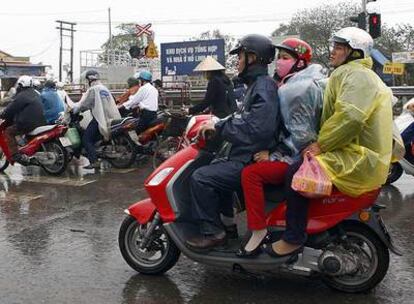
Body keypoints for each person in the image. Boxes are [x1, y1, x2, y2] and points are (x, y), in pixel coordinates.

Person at [264, 27, 393, 258]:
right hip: (357, 151)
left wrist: (320, 145)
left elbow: (350, 117)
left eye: (339, 48)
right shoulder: (349, 74)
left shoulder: (356, 75)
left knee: (296, 172)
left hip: (357, 157)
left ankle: (293, 237)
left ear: (355, 53)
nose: (332, 52)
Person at [185, 34, 281, 251]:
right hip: (244, 153)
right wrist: (219, 124)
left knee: (201, 178)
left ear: (252, 58)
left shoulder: (263, 87)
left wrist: (218, 127)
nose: (237, 62)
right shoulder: (256, 85)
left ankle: (213, 232)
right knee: (215, 170)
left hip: (249, 158)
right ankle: (228, 229)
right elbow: (240, 116)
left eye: (240, 57)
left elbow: (257, 129)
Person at [237, 38, 325, 257]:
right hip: (294, 153)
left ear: (300, 63)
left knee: (250, 174)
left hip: (295, 157)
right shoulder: (292, 83)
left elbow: (300, 136)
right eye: (278, 58)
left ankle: (258, 231)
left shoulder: (297, 90)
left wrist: (274, 153)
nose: (279, 63)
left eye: (286, 58)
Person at [72, 70, 121, 169]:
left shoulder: (93, 89)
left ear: (89, 79)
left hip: (99, 118)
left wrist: (75, 110)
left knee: (86, 139)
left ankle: (94, 161)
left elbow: (85, 104)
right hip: (109, 117)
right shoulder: (104, 88)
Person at [0, 75, 46, 165]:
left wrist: (2, 114)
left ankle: (15, 155)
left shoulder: (22, 96)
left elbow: (11, 109)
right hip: (41, 122)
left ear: (21, 85)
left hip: (27, 124)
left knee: (8, 132)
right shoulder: (36, 93)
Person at [118, 70, 158, 134]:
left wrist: (120, 106)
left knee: (136, 132)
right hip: (154, 114)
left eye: (140, 80)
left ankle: (137, 143)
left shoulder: (143, 88)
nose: (139, 82)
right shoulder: (154, 89)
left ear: (143, 80)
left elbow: (134, 100)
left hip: (146, 115)